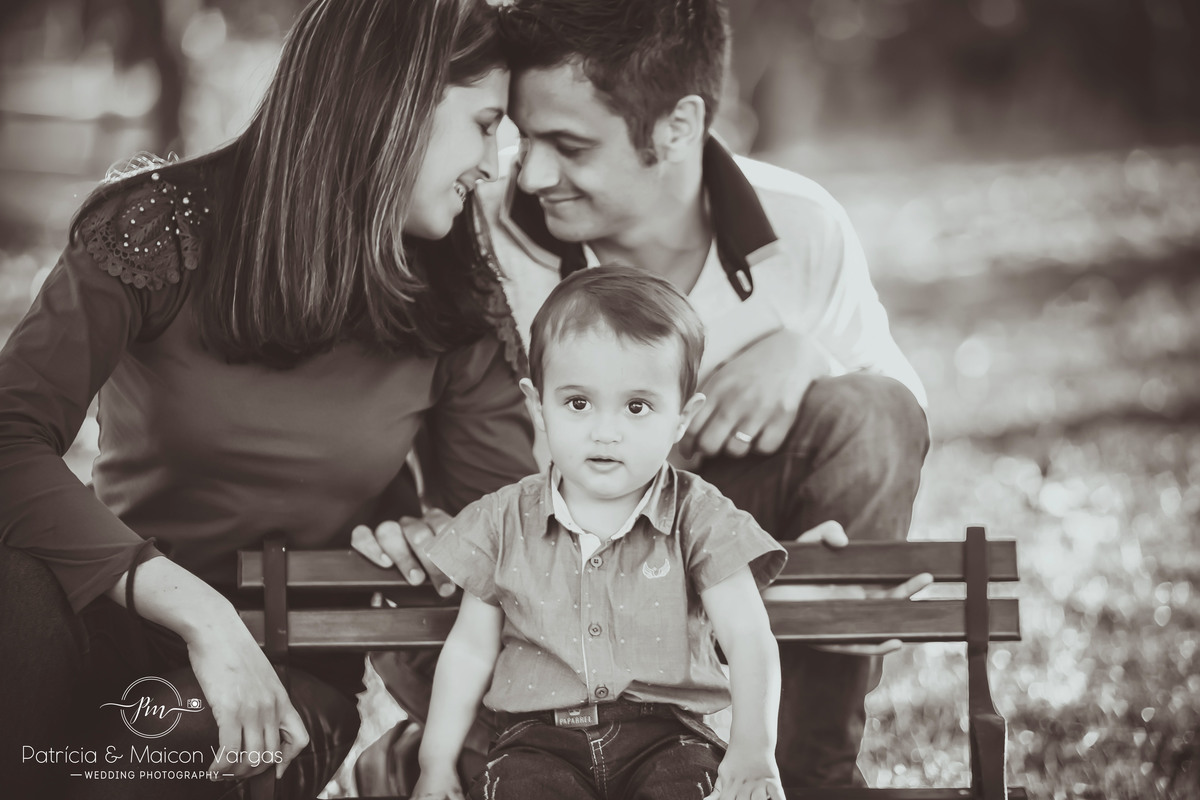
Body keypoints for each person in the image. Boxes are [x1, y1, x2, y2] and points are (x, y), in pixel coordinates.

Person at [369, 0, 935, 789]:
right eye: (524, 139)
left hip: (707, 556)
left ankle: (808, 777)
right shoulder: (473, 236)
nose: (529, 175)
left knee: (867, 410)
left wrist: (807, 357)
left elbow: (893, 418)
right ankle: (436, 757)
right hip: (523, 593)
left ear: (677, 126)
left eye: (570, 146)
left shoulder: (802, 225)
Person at [0, 1, 535, 798]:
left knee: (123, 774)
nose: (493, 163)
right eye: (485, 124)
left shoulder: (454, 298)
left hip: (288, 670)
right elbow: (10, 434)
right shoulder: (162, 227)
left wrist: (441, 538)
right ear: (396, 101)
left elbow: (515, 537)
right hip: (109, 618)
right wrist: (200, 614)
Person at [410, 265, 788, 800]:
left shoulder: (699, 516)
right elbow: (471, 649)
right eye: (578, 403)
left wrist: (753, 747)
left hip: (668, 737)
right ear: (538, 405)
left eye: (637, 407)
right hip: (535, 743)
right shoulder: (500, 520)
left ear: (682, 418)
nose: (605, 431)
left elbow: (747, 636)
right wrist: (435, 761)